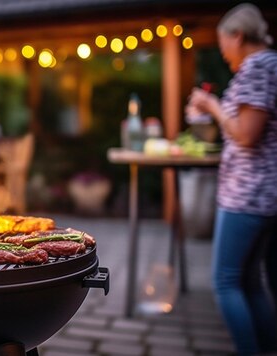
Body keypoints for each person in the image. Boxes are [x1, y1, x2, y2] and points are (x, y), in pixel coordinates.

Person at [186, 3, 277, 354]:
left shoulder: (257, 68)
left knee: (225, 283)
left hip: (248, 194)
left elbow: (246, 134)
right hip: (263, 192)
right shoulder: (267, 66)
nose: (224, 54)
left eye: (224, 44)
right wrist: (207, 114)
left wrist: (211, 107)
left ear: (238, 36)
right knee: (250, 281)